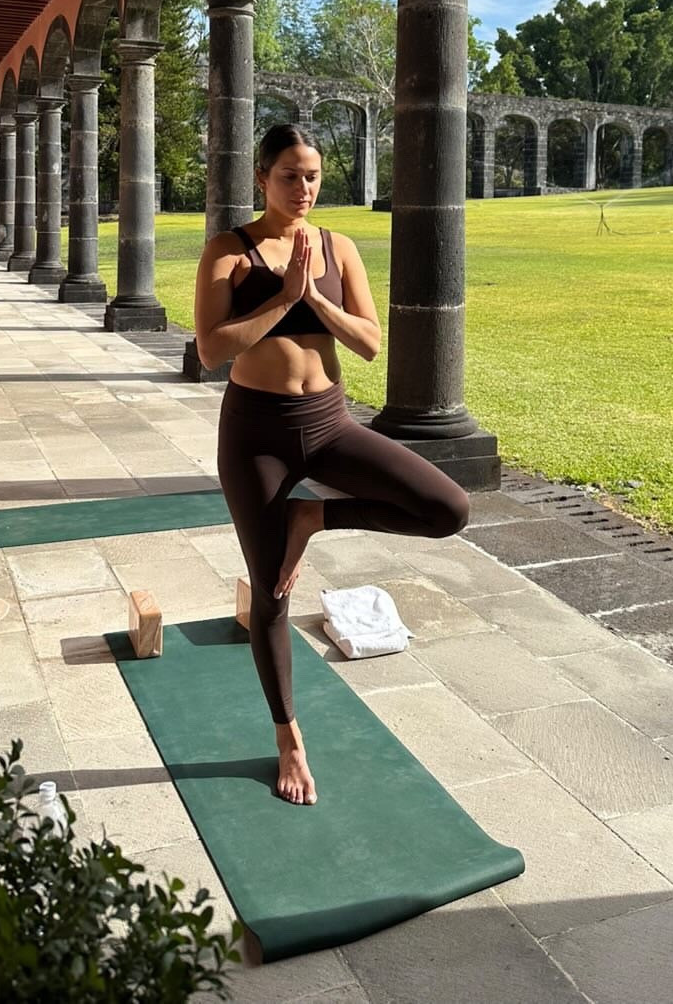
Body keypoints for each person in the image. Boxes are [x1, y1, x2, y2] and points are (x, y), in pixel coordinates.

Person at [194, 124, 469, 806]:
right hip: (255, 434)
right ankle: (289, 737)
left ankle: (313, 514)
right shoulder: (228, 253)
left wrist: (314, 296)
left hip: (329, 423)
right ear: (262, 178)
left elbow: (372, 343)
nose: (304, 187)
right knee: (272, 594)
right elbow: (209, 350)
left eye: (312, 175)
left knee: (447, 509)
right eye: (290, 175)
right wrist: (283, 296)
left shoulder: (338, 249)